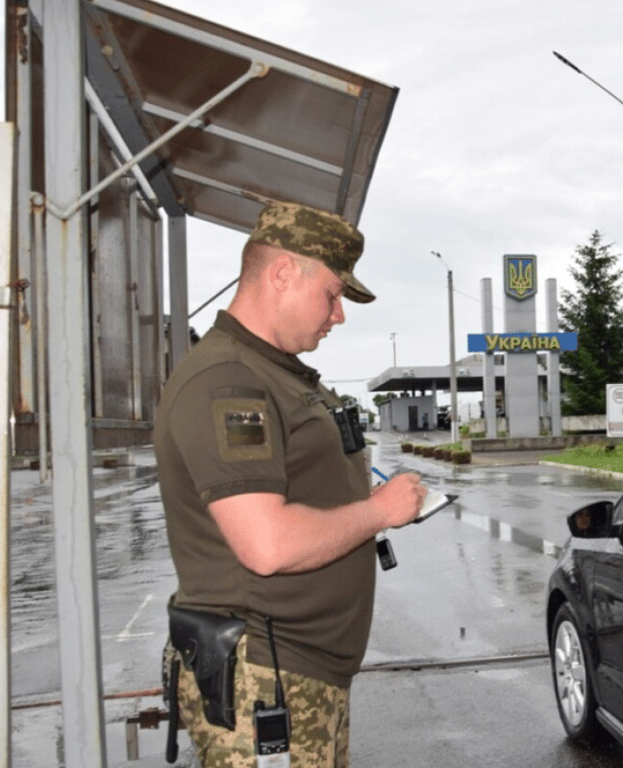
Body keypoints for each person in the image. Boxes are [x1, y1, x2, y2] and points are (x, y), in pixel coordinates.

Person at [153, 201, 427, 768]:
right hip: (266, 676)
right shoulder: (228, 381)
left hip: (296, 670)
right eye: (332, 294)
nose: (338, 315)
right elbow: (268, 544)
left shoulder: (271, 372)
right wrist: (380, 511)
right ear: (282, 274)